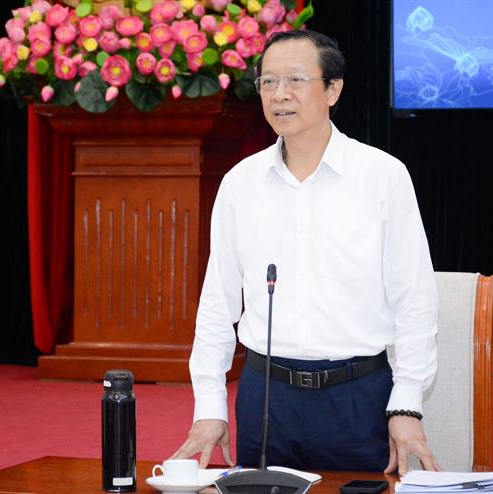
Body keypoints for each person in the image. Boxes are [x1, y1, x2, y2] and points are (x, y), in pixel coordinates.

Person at [171, 29, 441, 475]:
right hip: (266, 398)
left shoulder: (382, 177)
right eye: (269, 82)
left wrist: (407, 405)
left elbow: (414, 299)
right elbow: (218, 302)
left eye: (295, 80)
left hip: (356, 396)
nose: (280, 94)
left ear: (333, 90)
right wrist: (209, 407)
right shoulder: (241, 183)